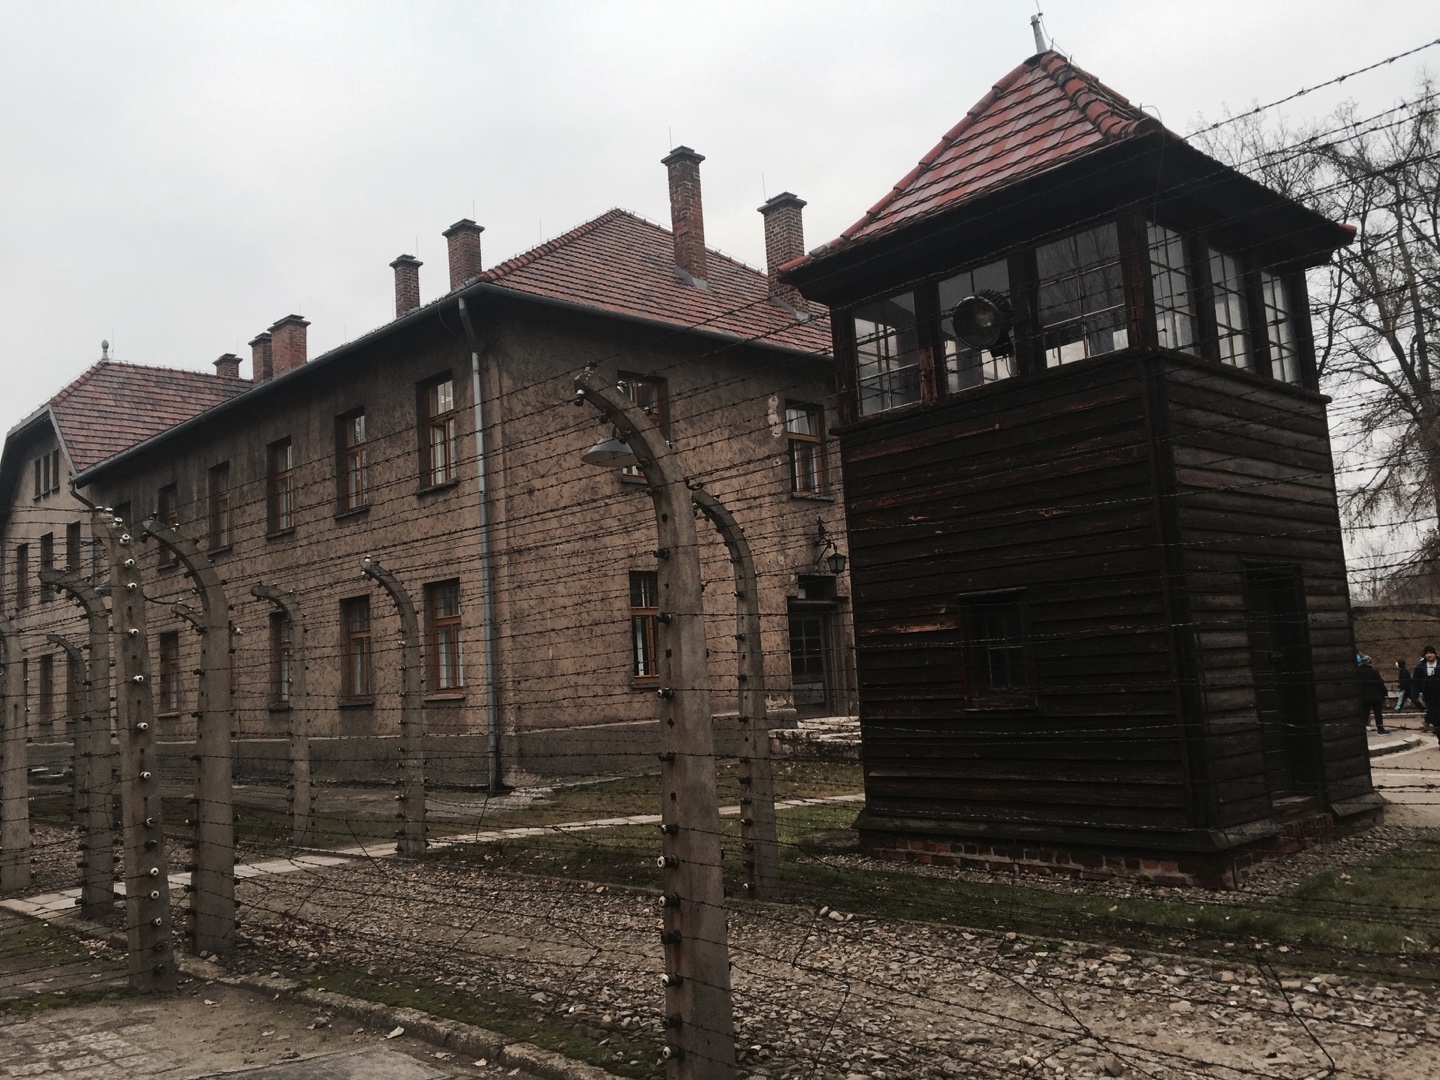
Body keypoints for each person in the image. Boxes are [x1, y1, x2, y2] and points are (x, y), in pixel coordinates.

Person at [1412, 645, 1440, 733]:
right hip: (1428, 693)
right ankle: (1436, 727)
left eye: (1431, 653)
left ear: (1435, 653)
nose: (1429, 655)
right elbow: (1416, 681)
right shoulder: (1421, 666)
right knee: (1432, 711)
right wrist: (1414, 694)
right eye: (1427, 653)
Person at [1358, 656, 1389, 734]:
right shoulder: (1373, 671)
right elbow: (1380, 683)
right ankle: (1380, 729)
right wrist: (1385, 693)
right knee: (1378, 713)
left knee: (1365, 713)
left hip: (1364, 696)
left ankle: (1362, 730)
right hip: (1376, 695)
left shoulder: (1357, 672)